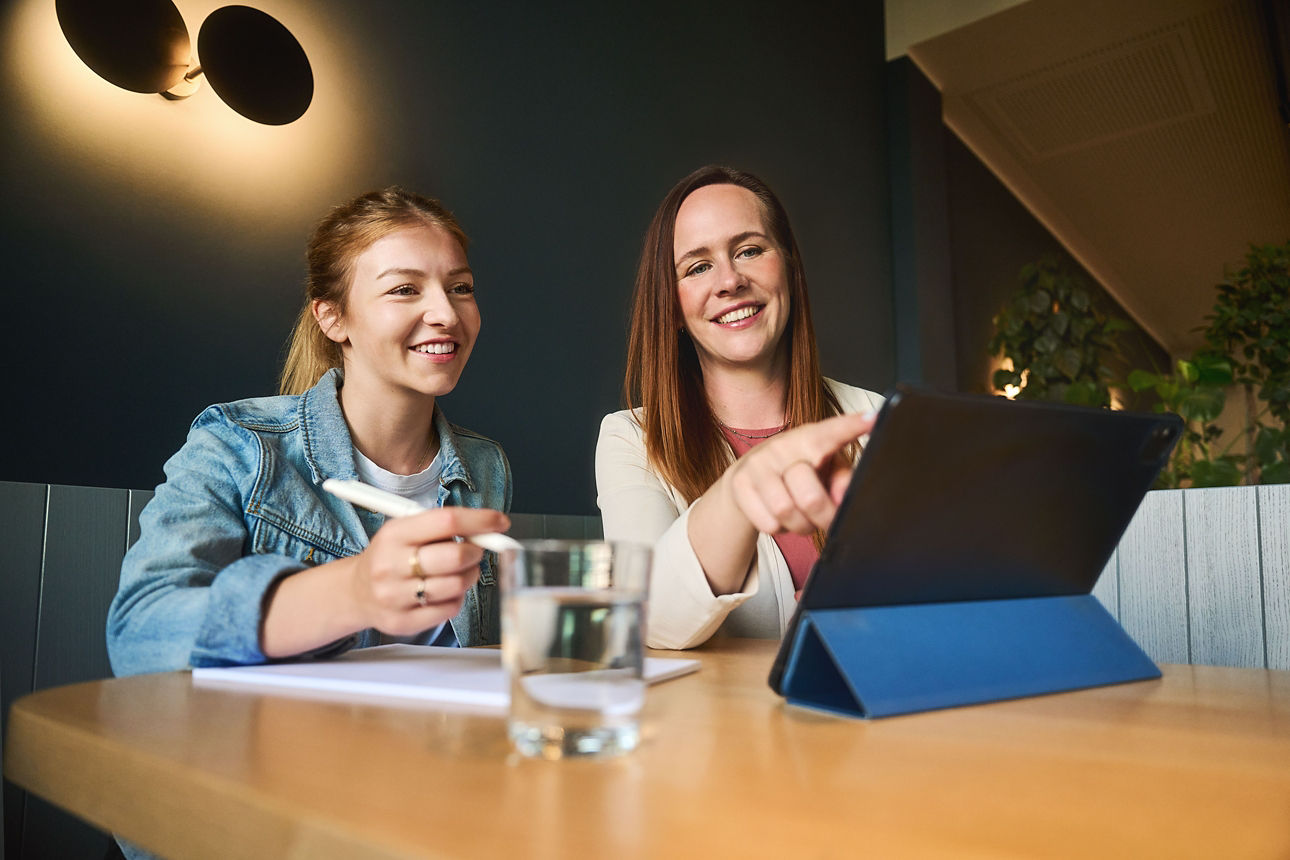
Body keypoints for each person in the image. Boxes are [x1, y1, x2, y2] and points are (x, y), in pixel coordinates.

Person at [108, 187, 511, 677]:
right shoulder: (239, 444)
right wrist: (352, 592)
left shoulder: (484, 466)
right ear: (332, 317)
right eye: (404, 289)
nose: (447, 314)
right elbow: (139, 635)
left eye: (460, 287)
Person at [596, 166, 883, 650]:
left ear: (788, 268)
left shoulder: (872, 416)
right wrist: (744, 487)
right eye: (697, 266)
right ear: (672, 307)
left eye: (749, 250)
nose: (729, 280)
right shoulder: (630, 439)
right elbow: (649, 619)